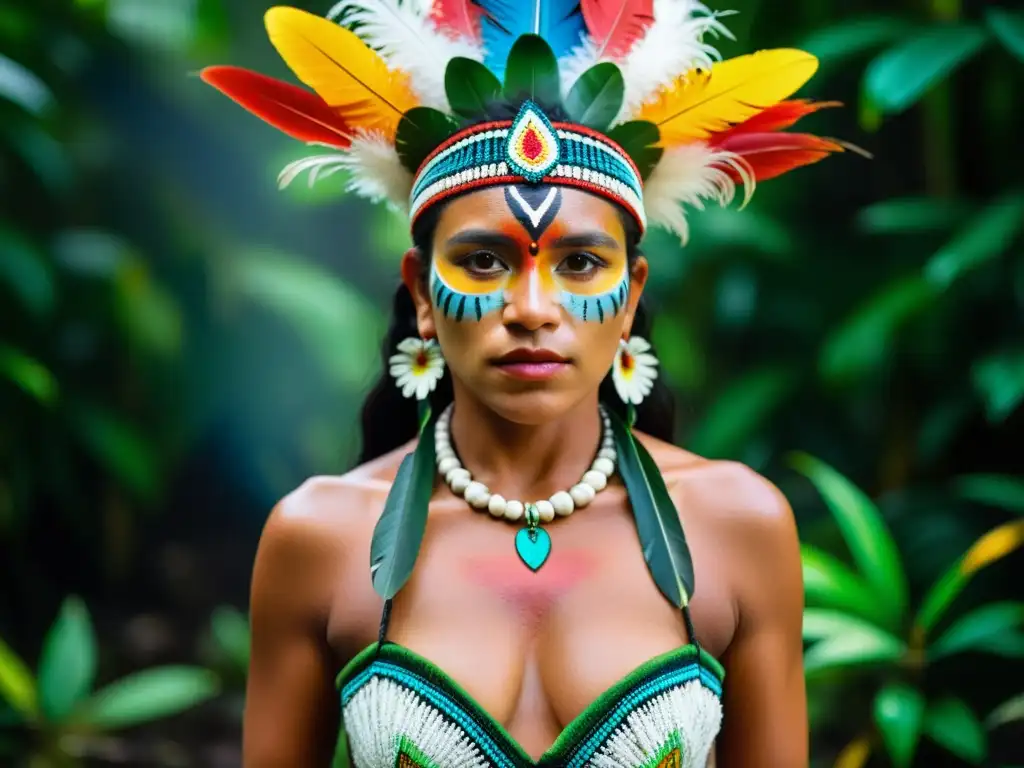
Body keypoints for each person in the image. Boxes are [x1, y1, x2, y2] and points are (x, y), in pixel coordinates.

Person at [202, 2, 858, 765]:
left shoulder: (738, 527)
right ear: (420, 289)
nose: (533, 310)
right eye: (483, 261)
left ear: (633, 294)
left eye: (580, 264)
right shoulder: (318, 538)